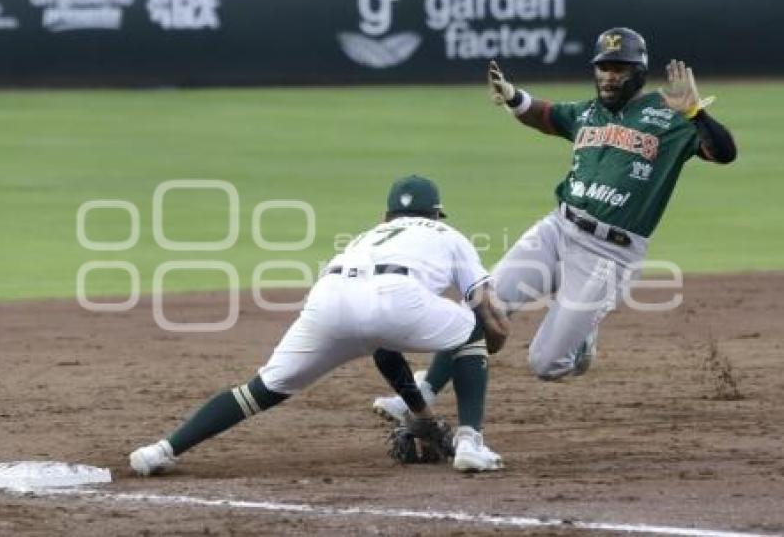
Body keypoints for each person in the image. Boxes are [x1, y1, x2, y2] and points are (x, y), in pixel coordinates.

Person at [372, 27, 737, 423]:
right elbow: (546, 115)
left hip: (608, 253)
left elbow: (724, 154)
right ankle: (423, 393)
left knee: (546, 363)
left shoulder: (669, 118)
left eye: (619, 68)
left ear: (639, 71)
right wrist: (513, 97)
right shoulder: (588, 113)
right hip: (557, 229)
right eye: (603, 68)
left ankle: (581, 344)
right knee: (480, 307)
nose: (609, 76)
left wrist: (696, 114)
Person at [129, 175, 509, 475]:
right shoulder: (449, 235)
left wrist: (421, 416)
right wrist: (488, 341)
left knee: (261, 389)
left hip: (330, 295)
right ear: (437, 215)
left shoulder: (366, 237)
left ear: (386, 216)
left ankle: (161, 451)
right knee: (469, 325)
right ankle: (470, 444)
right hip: (397, 293)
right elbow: (486, 305)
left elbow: (382, 345)